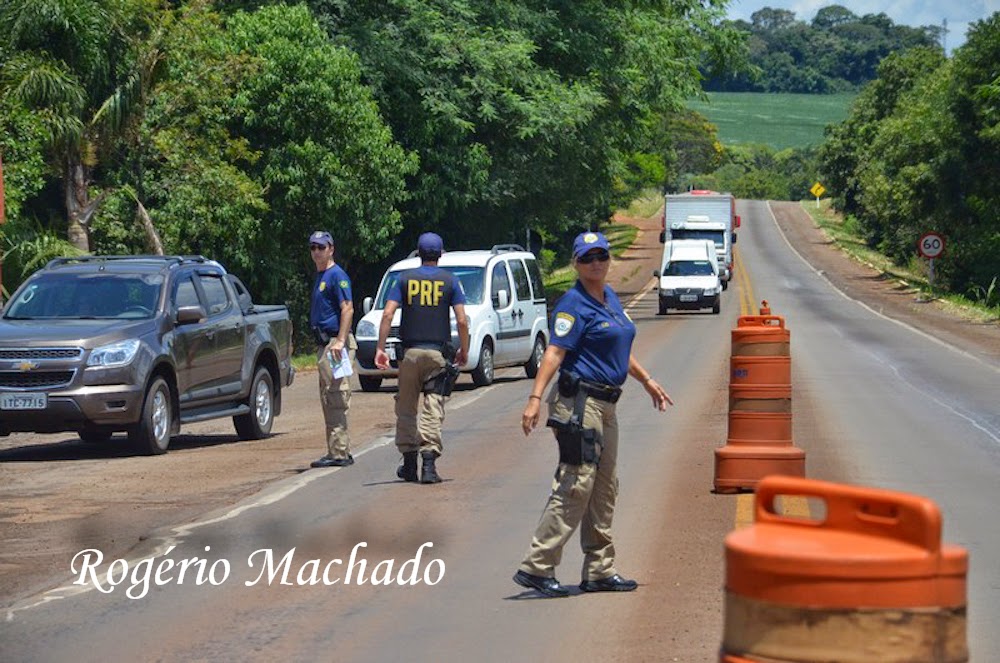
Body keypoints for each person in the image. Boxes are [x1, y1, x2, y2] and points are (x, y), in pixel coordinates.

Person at [513, 231, 672, 598]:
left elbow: (619, 349)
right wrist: (534, 398)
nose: (596, 263)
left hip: (607, 404)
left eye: (601, 255)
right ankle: (537, 566)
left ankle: (599, 569)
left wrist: (647, 380)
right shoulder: (573, 304)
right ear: (576, 263)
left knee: (604, 486)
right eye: (587, 258)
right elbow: (554, 352)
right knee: (577, 482)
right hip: (579, 404)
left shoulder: (610, 297)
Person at [374, 232, 469, 484]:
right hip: (437, 355)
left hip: (410, 354)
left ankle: (409, 465)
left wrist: (380, 348)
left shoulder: (404, 279)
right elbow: (461, 320)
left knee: (406, 408)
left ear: (418, 253)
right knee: (433, 407)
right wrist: (464, 349)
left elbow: (387, 314)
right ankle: (428, 465)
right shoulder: (450, 281)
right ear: (441, 254)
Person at [308, 230, 357, 468]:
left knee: (336, 396)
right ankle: (337, 449)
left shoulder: (337, 275)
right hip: (325, 345)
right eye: (313, 247)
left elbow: (347, 308)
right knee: (328, 397)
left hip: (335, 344)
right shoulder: (322, 275)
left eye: (321, 247)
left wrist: (340, 340)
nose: (317, 252)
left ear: (331, 249)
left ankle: (339, 453)